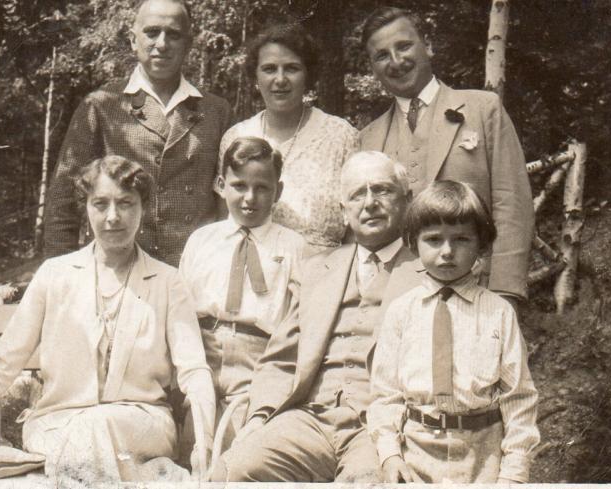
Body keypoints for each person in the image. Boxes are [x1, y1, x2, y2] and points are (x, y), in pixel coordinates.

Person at [0, 156, 216, 484]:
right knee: (84, 433)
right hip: (57, 423)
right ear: (86, 207)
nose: (113, 216)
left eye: (126, 203)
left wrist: (204, 440)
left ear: (144, 207)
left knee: (98, 426)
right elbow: (3, 361)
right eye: (101, 204)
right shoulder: (55, 275)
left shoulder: (168, 282)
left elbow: (194, 370)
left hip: (140, 425)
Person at [210, 151, 422, 482]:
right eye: (357, 194)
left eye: (382, 190)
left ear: (406, 200)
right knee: (241, 467)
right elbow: (281, 358)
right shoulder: (319, 269)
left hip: (380, 428)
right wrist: (258, 418)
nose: (370, 203)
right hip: (310, 418)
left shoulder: (427, 275)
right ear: (343, 211)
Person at [367, 180, 539, 484]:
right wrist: (390, 454)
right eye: (434, 239)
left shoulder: (499, 313)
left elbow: (519, 399)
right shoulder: (401, 311)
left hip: (484, 456)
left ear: (482, 245)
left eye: (461, 239)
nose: (447, 251)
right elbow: (385, 394)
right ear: (413, 243)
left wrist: (514, 474)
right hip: (415, 453)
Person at [359, 7, 534, 304]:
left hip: (479, 292)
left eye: (403, 46)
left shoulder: (482, 109)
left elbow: (512, 204)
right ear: (373, 67)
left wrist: (505, 293)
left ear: (427, 45)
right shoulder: (367, 139)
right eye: (382, 55)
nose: (396, 61)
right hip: (397, 302)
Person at [44, 0, 233, 267]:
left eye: (174, 34)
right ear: (133, 40)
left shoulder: (216, 111)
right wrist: (61, 277)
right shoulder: (101, 105)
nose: (163, 44)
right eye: (152, 32)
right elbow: (63, 202)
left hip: (196, 272)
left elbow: (231, 203)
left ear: (189, 44)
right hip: (119, 273)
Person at [178, 137, 305, 452]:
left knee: (243, 447)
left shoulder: (293, 247)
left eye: (262, 188)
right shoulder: (201, 241)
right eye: (239, 186)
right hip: (202, 352)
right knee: (193, 441)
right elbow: (180, 311)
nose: (250, 198)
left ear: (279, 191)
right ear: (221, 184)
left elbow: (297, 320)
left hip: (259, 359)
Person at [220, 23, 359, 254]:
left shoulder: (341, 136)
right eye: (269, 69)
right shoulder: (235, 137)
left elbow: (357, 227)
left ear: (308, 75)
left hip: (326, 278)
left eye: (292, 68)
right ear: (255, 76)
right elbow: (223, 223)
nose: (280, 79)